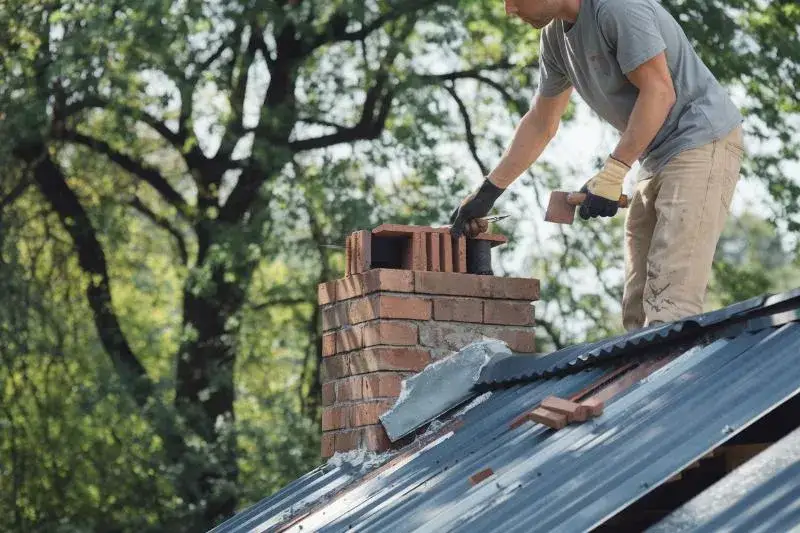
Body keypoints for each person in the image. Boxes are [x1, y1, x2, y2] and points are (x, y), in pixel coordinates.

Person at [450, 0, 745, 331]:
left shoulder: (617, 8)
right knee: (636, 314)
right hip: (655, 155)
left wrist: (614, 172)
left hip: (702, 139)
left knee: (670, 305)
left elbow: (660, 92)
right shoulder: (554, 39)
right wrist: (488, 191)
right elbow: (541, 122)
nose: (509, 10)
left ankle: (679, 381)